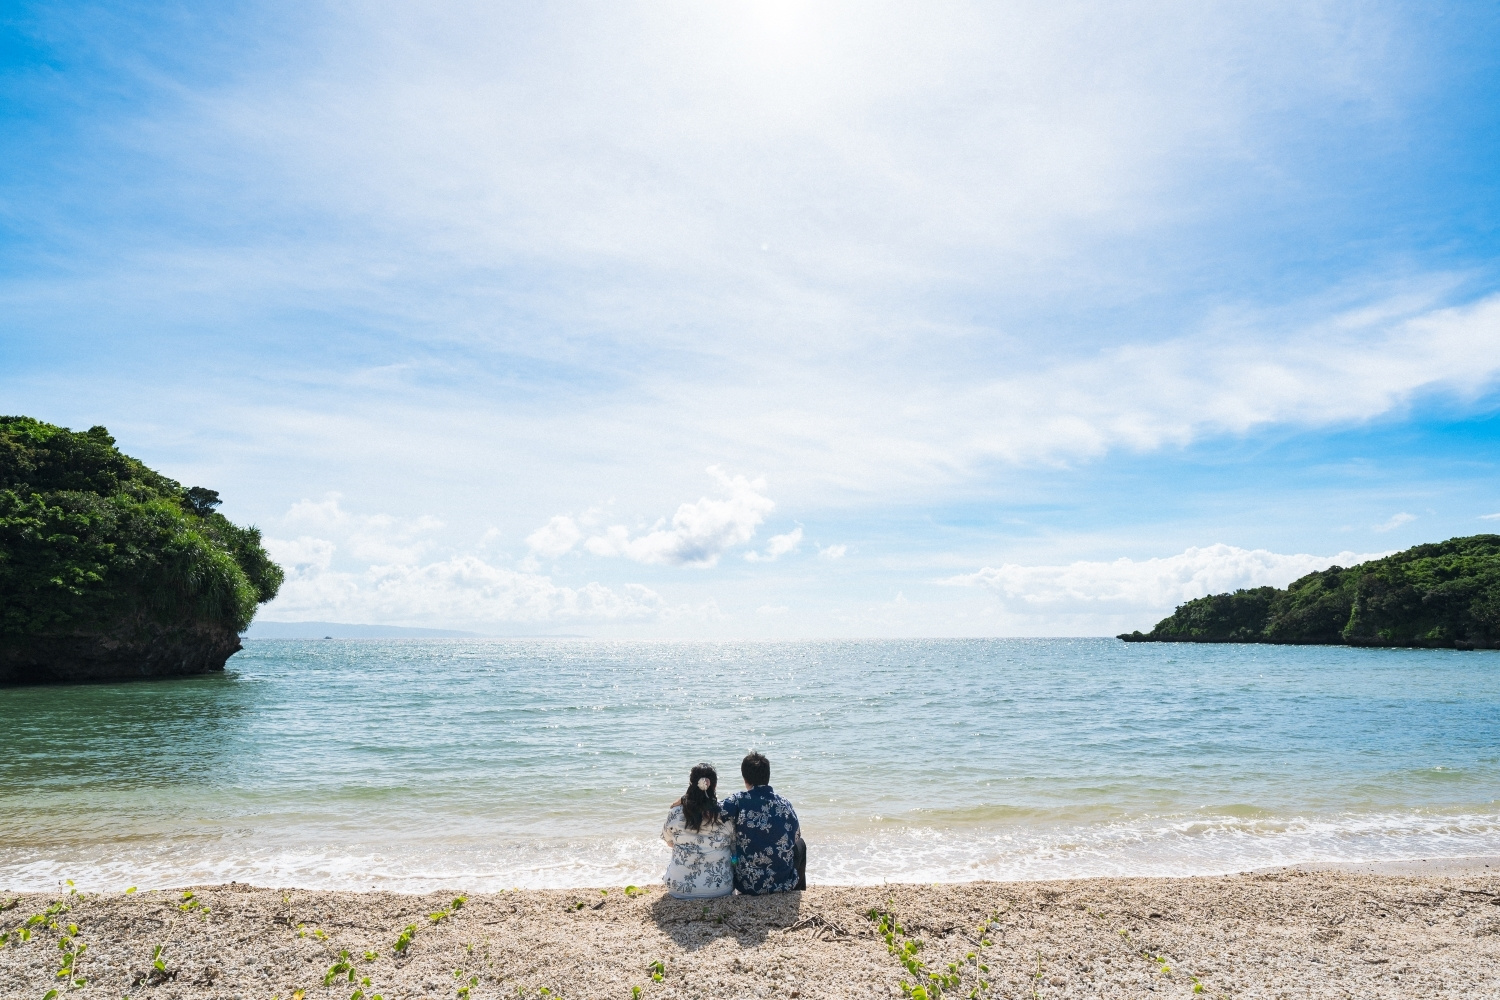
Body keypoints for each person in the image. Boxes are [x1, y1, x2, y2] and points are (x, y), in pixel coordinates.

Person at [719, 751, 807, 894]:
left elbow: (713, 810)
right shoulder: (784, 803)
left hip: (748, 885)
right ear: (768, 776)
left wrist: (687, 799)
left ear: (745, 778)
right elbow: (795, 836)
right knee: (801, 844)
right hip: (782, 883)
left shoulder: (739, 800)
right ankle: (798, 890)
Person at [660, 762, 735, 899]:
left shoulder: (675, 812)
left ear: (691, 784)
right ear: (715, 785)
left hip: (678, 888)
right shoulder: (725, 815)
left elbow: (669, 841)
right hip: (720, 888)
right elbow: (734, 845)